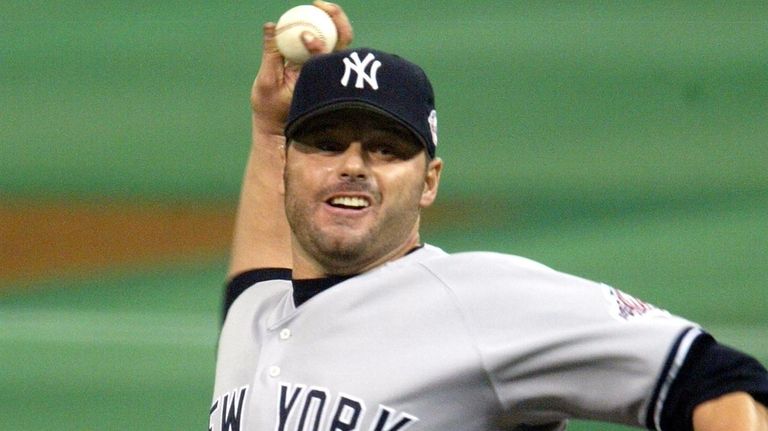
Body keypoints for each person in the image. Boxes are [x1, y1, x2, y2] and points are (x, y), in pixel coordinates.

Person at [210, 2, 768, 430]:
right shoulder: (255, 315)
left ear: (429, 182)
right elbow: (254, 277)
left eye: (385, 150)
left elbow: (718, 381)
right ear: (288, 162)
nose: (354, 166)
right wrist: (267, 127)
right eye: (326, 145)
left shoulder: (480, 298)